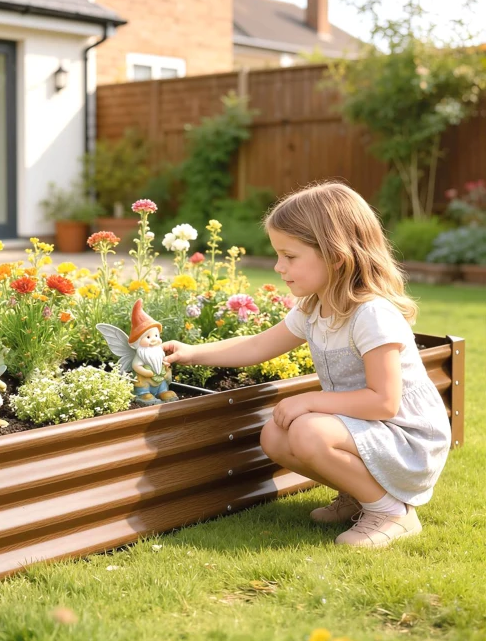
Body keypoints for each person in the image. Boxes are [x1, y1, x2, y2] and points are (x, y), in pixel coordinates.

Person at [162, 181, 451, 547]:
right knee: (275, 436)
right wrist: (191, 352)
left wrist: (309, 401)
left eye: (290, 256)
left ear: (336, 256)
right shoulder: (314, 308)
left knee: (307, 430)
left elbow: (384, 402)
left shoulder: (372, 315)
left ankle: (391, 514)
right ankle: (360, 496)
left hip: (408, 439)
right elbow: (257, 345)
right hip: (368, 430)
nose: (279, 266)